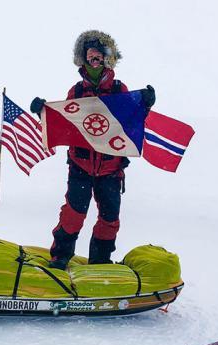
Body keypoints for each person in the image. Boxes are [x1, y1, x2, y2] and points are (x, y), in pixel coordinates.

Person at [31, 30, 156, 270]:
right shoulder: (76, 92)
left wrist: (146, 105)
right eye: (90, 55)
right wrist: (42, 112)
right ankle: (60, 256)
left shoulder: (120, 91)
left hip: (111, 169)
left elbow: (132, 121)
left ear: (108, 58)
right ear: (83, 58)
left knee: (109, 219)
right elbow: (64, 121)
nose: (94, 59)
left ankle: (100, 262)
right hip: (80, 166)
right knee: (73, 214)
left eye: (99, 55)